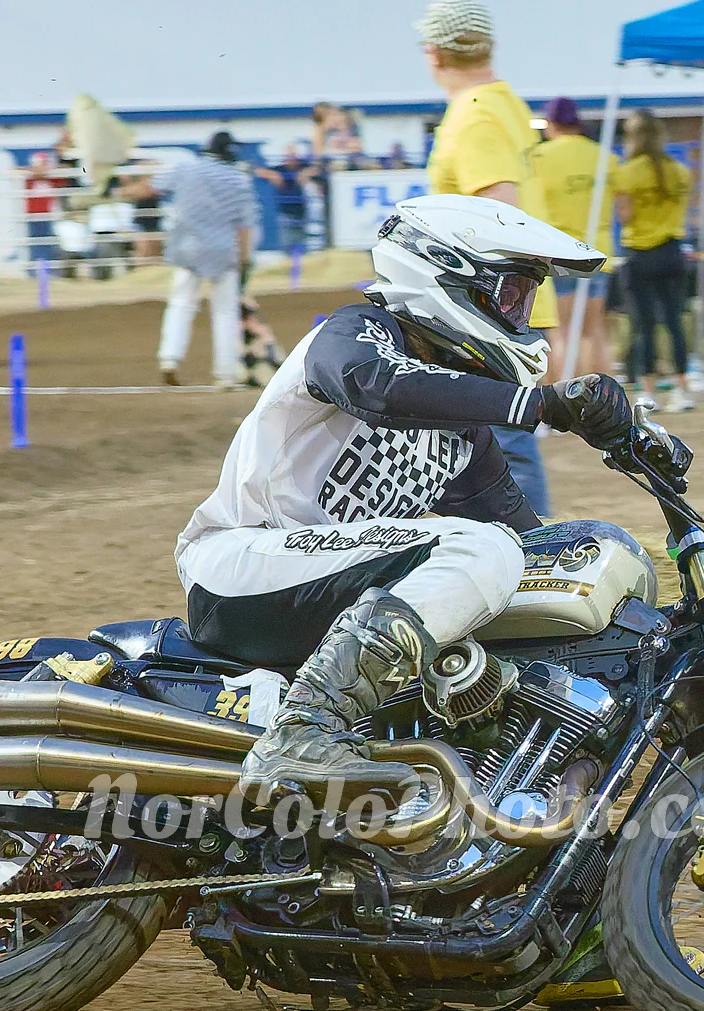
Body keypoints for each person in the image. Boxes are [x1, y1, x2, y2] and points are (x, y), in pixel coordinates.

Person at [171, 193, 630, 800]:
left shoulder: (461, 433)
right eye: (511, 294)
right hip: (240, 567)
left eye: (528, 298)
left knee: (542, 559)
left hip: (327, 594)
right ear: (446, 274)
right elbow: (374, 383)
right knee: (483, 550)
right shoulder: (355, 333)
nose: (522, 315)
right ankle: (303, 731)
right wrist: (538, 404)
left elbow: (530, 543)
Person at [419, 0, 557, 516]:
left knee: (501, 448)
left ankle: (534, 553)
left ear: (434, 53)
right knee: (498, 443)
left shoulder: (474, 115)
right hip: (510, 305)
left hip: (486, 311)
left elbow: (501, 215)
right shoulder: (504, 104)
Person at [125, 131, 259, 387]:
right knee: (225, 311)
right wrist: (245, 259)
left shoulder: (186, 169)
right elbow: (245, 226)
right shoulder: (239, 180)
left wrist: (121, 189)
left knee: (180, 304)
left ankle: (170, 359)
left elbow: (149, 188)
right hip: (223, 251)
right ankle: (225, 373)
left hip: (188, 247)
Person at [531, 95, 617, 379]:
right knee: (594, 332)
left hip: (558, 252)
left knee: (562, 332)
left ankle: (567, 399)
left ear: (551, 123)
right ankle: (605, 399)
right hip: (598, 252)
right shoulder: (604, 156)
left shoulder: (538, 158)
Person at [614, 109, 694, 412]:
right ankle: (683, 388)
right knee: (675, 323)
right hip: (672, 251)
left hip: (640, 254)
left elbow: (625, 216)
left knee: (643, 326)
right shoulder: (680, 171)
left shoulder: (626, 172)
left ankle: (648, 392)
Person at [255, 144, 319, 253]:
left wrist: (305, 174)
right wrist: (274, 176)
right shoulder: (280, 169)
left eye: (294, 155)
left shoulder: (303, 166)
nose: (291, 158)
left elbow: (317, 169)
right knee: (287, 243)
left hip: (304, 211)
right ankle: (290, 258)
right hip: (286, 212)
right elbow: (259, 171)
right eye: (289, 156)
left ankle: (301, 259)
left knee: (304, 243)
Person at [22, 151, 62, 270]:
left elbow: (62, 176)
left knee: (48, 243)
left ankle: (46, 269)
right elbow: (17, 171)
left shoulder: (52, 179)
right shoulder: (30, 178)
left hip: (48, 215)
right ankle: (35, 270)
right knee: (35, 243)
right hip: (33, 215)